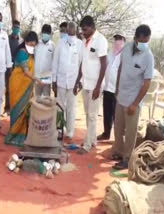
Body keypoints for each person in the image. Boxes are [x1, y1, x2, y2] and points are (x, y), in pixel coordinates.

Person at [112, 25, 154, 170]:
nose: (144, 44)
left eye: (147, 41)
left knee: (130, 132)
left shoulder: (148, 56)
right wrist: (116, 88)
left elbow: (147, 83)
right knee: (117, 127)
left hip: (133, 100)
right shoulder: (127, 47)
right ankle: (118, 151)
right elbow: (120, 68)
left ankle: (127, 158)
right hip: (121, 96)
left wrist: (135, 104)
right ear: (136, 38)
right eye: (142, 41)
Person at [73, 15, 108, 155]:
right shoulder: (84, 41)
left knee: (93, 115)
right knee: (88, 114)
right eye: (82, 30)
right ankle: (92, 139)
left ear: (93, 27)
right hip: (85, 82)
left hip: (95, 84)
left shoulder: (101, 41)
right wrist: (77, 80)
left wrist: (98, 86)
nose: (84, 32)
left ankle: (87, 145)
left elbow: (104, 64)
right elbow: (83, 62)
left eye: (86, 29)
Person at [5, 31, 40, 146]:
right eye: (30, 44)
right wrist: (36, 79)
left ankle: (23, 134)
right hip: (17, 85)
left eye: (34, 45)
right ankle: (14, 136)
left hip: (26, 85)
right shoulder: (21, 53)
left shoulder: (30, 54)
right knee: (18, 110)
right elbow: (25, 71)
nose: (32, 47)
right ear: (25, 42)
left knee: (25, 110)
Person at [52, 22, 82, 141]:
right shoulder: (60, 43)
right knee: (60, 106)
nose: (70, 31)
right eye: (68, 29)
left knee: (71, 107)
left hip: (73, 82)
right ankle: (59, 130)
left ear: (75, 30)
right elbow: (55, 62)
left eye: (72, 29)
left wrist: (79, 82)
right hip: (61, 80)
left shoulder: (80, 45)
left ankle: (69, 132)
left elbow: (81, 64)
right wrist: (54, 80)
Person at [97, 33, 126, 141]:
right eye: (115, 39)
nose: (117, 41)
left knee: (116, 115)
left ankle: (118, 139)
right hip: (107, 87)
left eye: (119, 39)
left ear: (124, 40)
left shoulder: (124, 55)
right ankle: (106, 133)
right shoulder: (111, 53)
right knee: (107, 112)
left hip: (117, 90)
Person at [4, 20, 21, 116]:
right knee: (8, 88)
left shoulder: (21, 40)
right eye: (15, 27)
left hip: (18, 68)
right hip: (8, 67)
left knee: (17, 88)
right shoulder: (7, 39)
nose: (16, 29)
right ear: (12, 28)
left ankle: (16, 107)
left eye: (18, 27)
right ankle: (7, 108)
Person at [34, 24, 55, 97]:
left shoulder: (52, 46)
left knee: (46, 98)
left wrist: (52, 77)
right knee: (37, 97)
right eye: (44, 32)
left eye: (48, 33)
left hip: (47, 76)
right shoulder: (37, 44)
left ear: (50, 34)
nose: (46, 34)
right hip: (37, 75)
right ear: (42, 33)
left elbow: (54, 62)